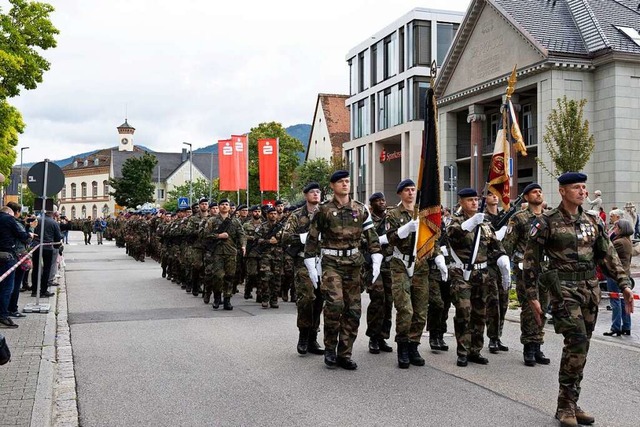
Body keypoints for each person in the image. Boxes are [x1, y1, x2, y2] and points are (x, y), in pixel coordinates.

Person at [523, 172, 634, 427]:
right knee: (577, 342)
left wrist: (625, 284)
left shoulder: (592, 221)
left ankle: (571, 401)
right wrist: (532, 296)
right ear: (563, 191)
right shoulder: (546, 222)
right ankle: (565, 407)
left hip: (589, 290)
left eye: (584, 187)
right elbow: (531, 261)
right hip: (564, 291)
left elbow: (608, 256)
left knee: (582, 348)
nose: (582, 191)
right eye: (576, 187)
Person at [304, 170, 381, 370]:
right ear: (333, 186)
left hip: (354, 265)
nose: (345, 184)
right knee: (335, 305)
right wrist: (311, 264)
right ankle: (330, 347)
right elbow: (312, 238)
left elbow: (371, 236)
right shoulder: (324, 210)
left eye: (347, 181)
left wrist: (376, 258)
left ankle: (344, 353)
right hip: (331, 264)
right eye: (341, 182)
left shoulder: (360, 208)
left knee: (353, 310)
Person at [385, 179, 445, 368]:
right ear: (400, 193)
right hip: (400, 264)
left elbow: (432, 240)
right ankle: (402, 346)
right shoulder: (393, 214)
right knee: (405, 309)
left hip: (421, 265)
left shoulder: (424, 214)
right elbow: (390, 238)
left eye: (413, 189)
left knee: (420, 311)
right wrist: (405, 230)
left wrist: (439, 257)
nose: (411, 193)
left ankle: (413, 345)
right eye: (407, 190)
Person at [446, 188, 510, 367]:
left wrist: (503, 262)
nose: (474, 203)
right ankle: (462, 351)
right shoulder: (455, 220)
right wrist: (471, 223)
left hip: (482, 275)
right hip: (462, 274)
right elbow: (452, 235)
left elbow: (495, 246)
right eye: (469, 200)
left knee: (480, 314)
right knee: (464, 312)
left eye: (475, 199)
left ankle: (475, 350)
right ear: (461, 202)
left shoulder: (485, 223)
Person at [503, 183, 550, 367]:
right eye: (534, 192)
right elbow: (508, 244)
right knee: (529, 307)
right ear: (526, 197)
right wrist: (506, 267)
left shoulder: (549, 218)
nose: (538, 194)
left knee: (543, 307)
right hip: (524, 268)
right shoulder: (519, 218)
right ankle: (528, 347)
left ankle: (538, 345)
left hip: (545, 269)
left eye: (540, 191)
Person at [283, 182, 324, 355]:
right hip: (303, 262)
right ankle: (303, 335)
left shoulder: (326, 213)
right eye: (312, 192)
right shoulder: (296, 215)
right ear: (305, 195)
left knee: (319, 300)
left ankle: (313, 337)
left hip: (324, 262)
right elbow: (285, 237)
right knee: (306, 298)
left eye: (318, 192)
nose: (316, 194)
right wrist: (304, 238)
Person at [364, 192, 394, 355]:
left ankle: (383, 336)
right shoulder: (368, 220)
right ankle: (373, 337)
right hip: (373, 265)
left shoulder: (391, 218)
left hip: (389, 264)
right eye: (378, 201)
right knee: (378, 299)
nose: (382, 203)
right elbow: (362, 239)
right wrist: (379, 240)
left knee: (388, 301)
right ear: (372, 204)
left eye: (383, 200)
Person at [202, 199, 246, 310]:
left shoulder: (235, 221)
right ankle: (217, 298)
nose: (225, 206)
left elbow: (241, 234)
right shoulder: (212, 221)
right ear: (218, 206)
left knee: (230, 277)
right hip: (217, 252)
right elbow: (205, 235)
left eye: (227, 205)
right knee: (218, 276)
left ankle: (227, 300)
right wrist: (219, 236)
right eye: (222, 205)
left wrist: (243, 245)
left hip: (231, 252)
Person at [0, 206, 35, 328]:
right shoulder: (9, 220)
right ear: (11, 213)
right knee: (7, 287)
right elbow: (23, 237)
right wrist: (29, 233)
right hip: (7, 256)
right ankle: (3, 315)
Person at [603, 219, 633, 336]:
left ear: (621, 229)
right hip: (626, 273)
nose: (613, 230)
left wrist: (608, 234)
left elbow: (607, 250)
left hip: (616, 275)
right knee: (623, 300)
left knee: (615, 300)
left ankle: (615, 327)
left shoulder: (618, 242)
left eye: (615, 227)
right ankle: (626, 326)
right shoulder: (627, 241)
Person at [31, 211, 62, 298]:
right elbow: (57, 237)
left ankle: (34, 290)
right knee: (46, 269)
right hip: (47, 247)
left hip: (36, 246)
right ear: (52, 213)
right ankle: (43, 291)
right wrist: (57, 246)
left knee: (36, 268)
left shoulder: (37, 220)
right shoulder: (54, 222)